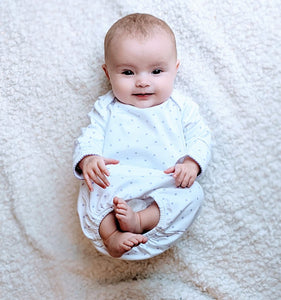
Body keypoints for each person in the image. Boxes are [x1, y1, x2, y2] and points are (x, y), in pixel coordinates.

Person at [73, 13, 211, 260]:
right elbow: (90, 134)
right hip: (117, 178)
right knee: (93, 185)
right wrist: (89, 158)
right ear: (108, 73)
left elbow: (200, 136)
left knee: (193, 193)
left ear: (175, 69)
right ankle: (110, 234)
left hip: (163, 179)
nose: (143, 82)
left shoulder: (181, 108)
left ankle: (141, 219)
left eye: (157, 71)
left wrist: (191, 162)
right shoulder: (106, 107)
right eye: (128, 72)